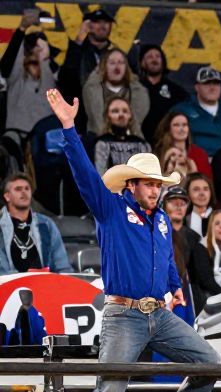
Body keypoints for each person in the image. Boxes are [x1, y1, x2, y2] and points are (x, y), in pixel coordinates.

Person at [47, 88, 220, 392]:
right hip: (123, 313)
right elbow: (84, 174)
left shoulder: (161, 220)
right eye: (148, 184)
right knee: (109, 389)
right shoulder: (109, 208)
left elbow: (167, 258)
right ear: (130, 185)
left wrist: (175, 285)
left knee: (210, 361)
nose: (155, 190)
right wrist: (69, 129)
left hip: (157, 311)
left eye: (158, 185)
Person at [0, 11, 59, 143]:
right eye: (32, 48)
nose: (36, 51)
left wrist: (45, 54)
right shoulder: (16, 75)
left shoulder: (52, 72)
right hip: (17, 132)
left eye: (40, 47)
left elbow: (69, 76)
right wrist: (22, 29)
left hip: (46, 133)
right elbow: (8, 62)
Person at [161, 184, 219, 317]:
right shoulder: (157, 234)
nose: (179, 207)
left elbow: (201, 276)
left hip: (191, 295)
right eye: (173, 203)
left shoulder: (195, 238)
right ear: (163, 205)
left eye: (182, 203)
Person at [0, 173, 70, 275]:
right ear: (7, 196)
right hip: (9, 286)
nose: (24, 192)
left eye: (27, 189)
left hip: (44, 285)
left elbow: (62, 265)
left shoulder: (46, 224)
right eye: (18, 189)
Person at [82, 48, 150, 137]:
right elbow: (96, 119)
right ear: (103, 66)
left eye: (121, 62)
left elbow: (135, 122)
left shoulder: (137, 91)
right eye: (112, 63)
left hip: (131, 140)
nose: (117, 67)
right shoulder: (93, 88)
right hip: (98, 139)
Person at [177, 67, 221, 157]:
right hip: (194, 162)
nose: (212, 87)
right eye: (207, 83)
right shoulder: (182, 110)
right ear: (197, 87)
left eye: (216, 83)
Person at [136, 44, 189, 144]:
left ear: (163, 61)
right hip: (139, 142)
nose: (154, 59)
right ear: (142, 63)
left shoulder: (176, 91)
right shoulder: (135, 88)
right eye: (149, 57)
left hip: (167, 143)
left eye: (157, 56)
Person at [57, 8, 114, 100]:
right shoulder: (77, 50)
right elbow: (65, 78)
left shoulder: (116, 53)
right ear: (87, 25)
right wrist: (80, 37)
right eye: (97, 22)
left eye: (106, 22)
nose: (102, 25)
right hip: (82, 108)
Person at [92, 98, 151, 176]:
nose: (121, 115)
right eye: (115, 111)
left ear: (130, 116)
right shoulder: (101, 143)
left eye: (125, 111)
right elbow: (101, 175)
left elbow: (148, 174)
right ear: (108, 116)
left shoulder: (142, 144)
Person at [152, 111, 213, 181]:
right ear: (168, 129)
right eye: (176, 125)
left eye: (184, 125)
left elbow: (208, 182)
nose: (181, 129)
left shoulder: (200, 154)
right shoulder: (159, 153)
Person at [184, 173, 215, 238]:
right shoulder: (183, 220)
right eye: (196, 189)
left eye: (205, 189)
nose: (202, 193)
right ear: (188, 193)